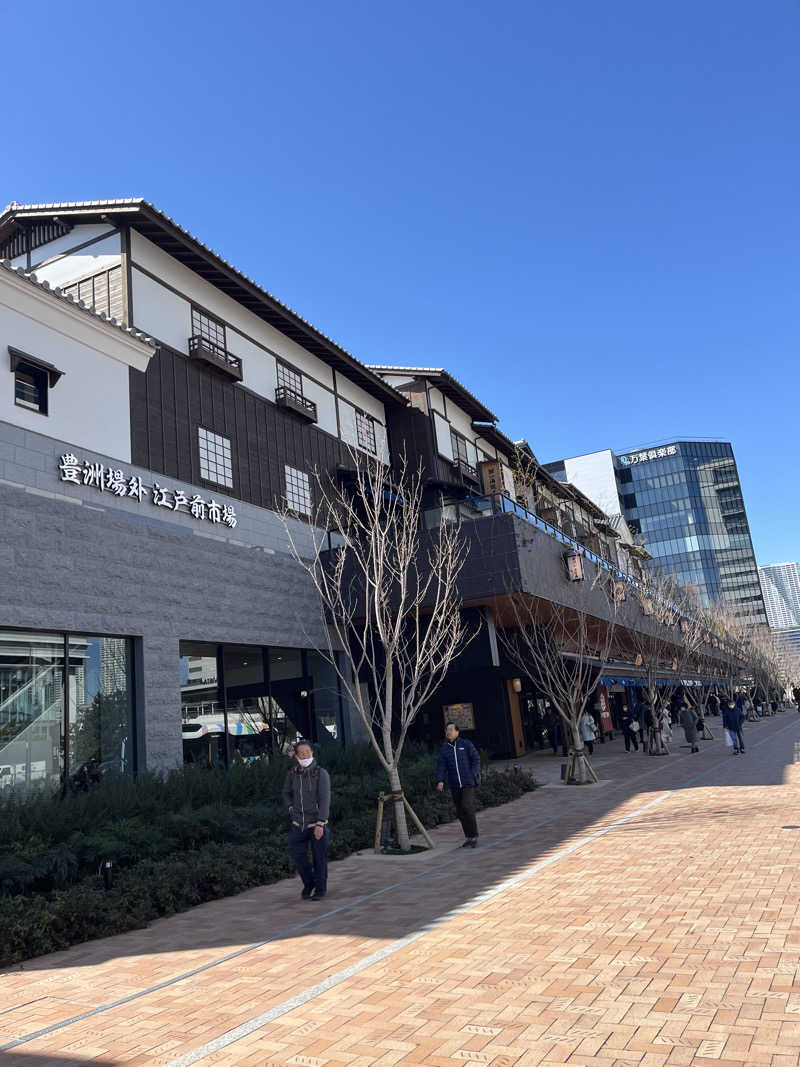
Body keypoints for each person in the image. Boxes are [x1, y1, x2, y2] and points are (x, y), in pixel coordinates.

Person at [282, 740, 331, 900]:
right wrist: (290, 808)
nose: (305, 756)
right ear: (296, 756)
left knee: (319, 859)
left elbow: (325, 800)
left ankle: (320, 889)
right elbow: (286, 793)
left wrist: (320, 823)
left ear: (312, 753)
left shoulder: (320, 773)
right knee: (297, 855)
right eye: (301, 754)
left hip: (316, 824)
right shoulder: (292, 774)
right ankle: (309, 883)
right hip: (298, 825)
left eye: (308, 753)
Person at [436, 721, 481, 848]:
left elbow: (476, 759)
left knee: (467, 806)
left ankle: (474, 835)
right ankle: (469, 837)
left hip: (468, 783)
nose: (448, 732)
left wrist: (472, 773)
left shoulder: (465, 744)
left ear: (457, 732)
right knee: (460, 811)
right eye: (446, 730)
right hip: (454, 784)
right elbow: (441, 766)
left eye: (451, 729)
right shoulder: (445, 749)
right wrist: (440, 780)